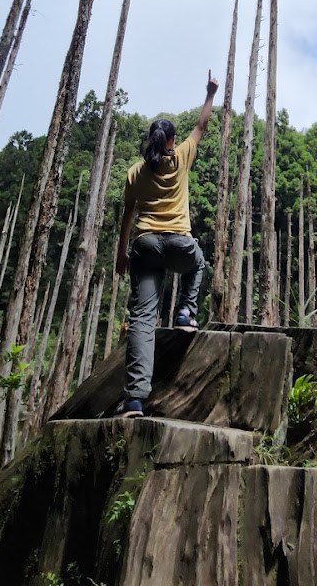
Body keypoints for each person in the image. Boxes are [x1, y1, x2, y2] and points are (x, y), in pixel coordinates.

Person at [113, 71, 220, 419]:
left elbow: (128, 214)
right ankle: (186, 312)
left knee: (142, 320)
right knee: (198, 261)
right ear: (172, 140)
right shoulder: (182, 157)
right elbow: (202, 126)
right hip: (177, 242)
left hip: (144, 246)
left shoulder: (135, 171)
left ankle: (134, 401)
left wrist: (121, 253)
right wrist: (209, 93)